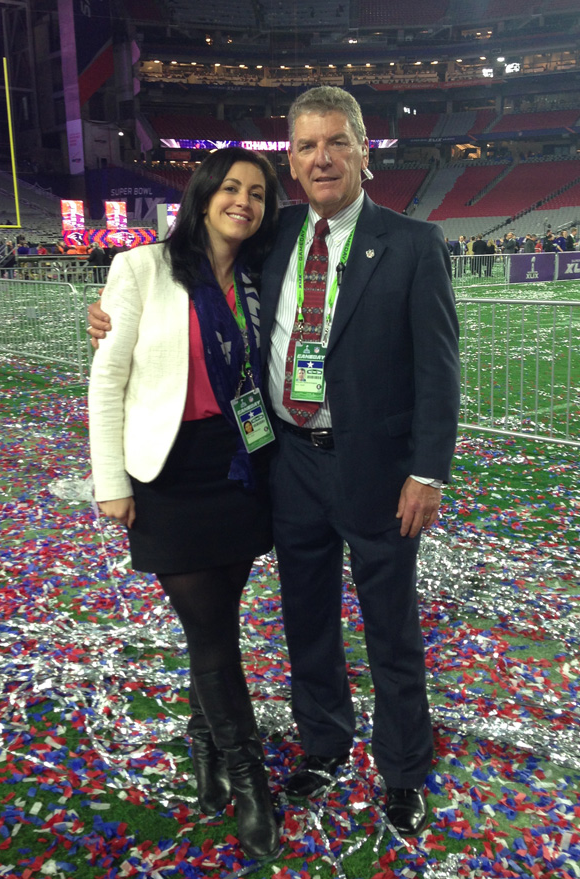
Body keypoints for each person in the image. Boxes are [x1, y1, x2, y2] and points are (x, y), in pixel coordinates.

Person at [89, 87, 460, 838]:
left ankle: (403, 770)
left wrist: (429, 471)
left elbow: (440, 370)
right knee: (307, 619)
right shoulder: (277, 233)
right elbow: (186, 272)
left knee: (391, 627)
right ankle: (324, 743)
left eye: (336, 142)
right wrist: (104, 312)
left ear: (364, 150)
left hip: (379, 471)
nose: (321, 157)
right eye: (305, 146)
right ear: (292, 160)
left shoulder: (415, 243)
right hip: (289, 462)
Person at [88, 147, 281, 861]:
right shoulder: (140, 268)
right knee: (209, 632)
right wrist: (111, 480)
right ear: (203, 195)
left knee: (217, 625)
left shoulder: (261, 277)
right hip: (168, 475)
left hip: (240, 469)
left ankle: (204, 740)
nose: (243, 201)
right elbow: (107, 383)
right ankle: (249, 775)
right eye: (231, 187)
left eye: (257, 193)